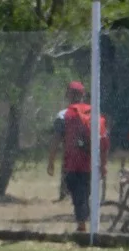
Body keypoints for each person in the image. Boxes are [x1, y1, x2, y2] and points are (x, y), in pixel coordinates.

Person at [47, 81, 109, 233]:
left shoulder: (63, 115)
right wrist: (103, 163)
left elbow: (56, 139)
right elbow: (104, 139)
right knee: (85, 191)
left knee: (76, 192)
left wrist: (51, 161)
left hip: (72, 162)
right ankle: (85, 220)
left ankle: (82, 224)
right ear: (83, 95)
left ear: (68, 94)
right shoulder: (94, 113)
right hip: (90, 162)